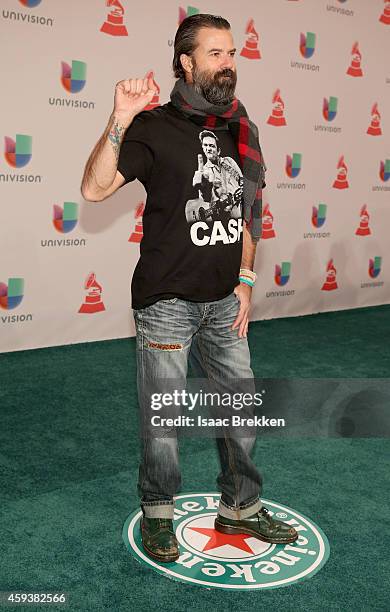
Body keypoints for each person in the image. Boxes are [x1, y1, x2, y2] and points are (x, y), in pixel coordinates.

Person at [81, 13, 298, 564]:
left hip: (226, 301)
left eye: (232, 53)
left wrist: (246, 279)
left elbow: (249, 210)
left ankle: (242, 508)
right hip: (167, 304)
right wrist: (120, 117)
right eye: (217, 54)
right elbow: (95, 186)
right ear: (187, 62)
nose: (229, 64)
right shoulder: (153, 125)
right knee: (164, 421)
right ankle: (158, 511)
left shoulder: (240, 126)